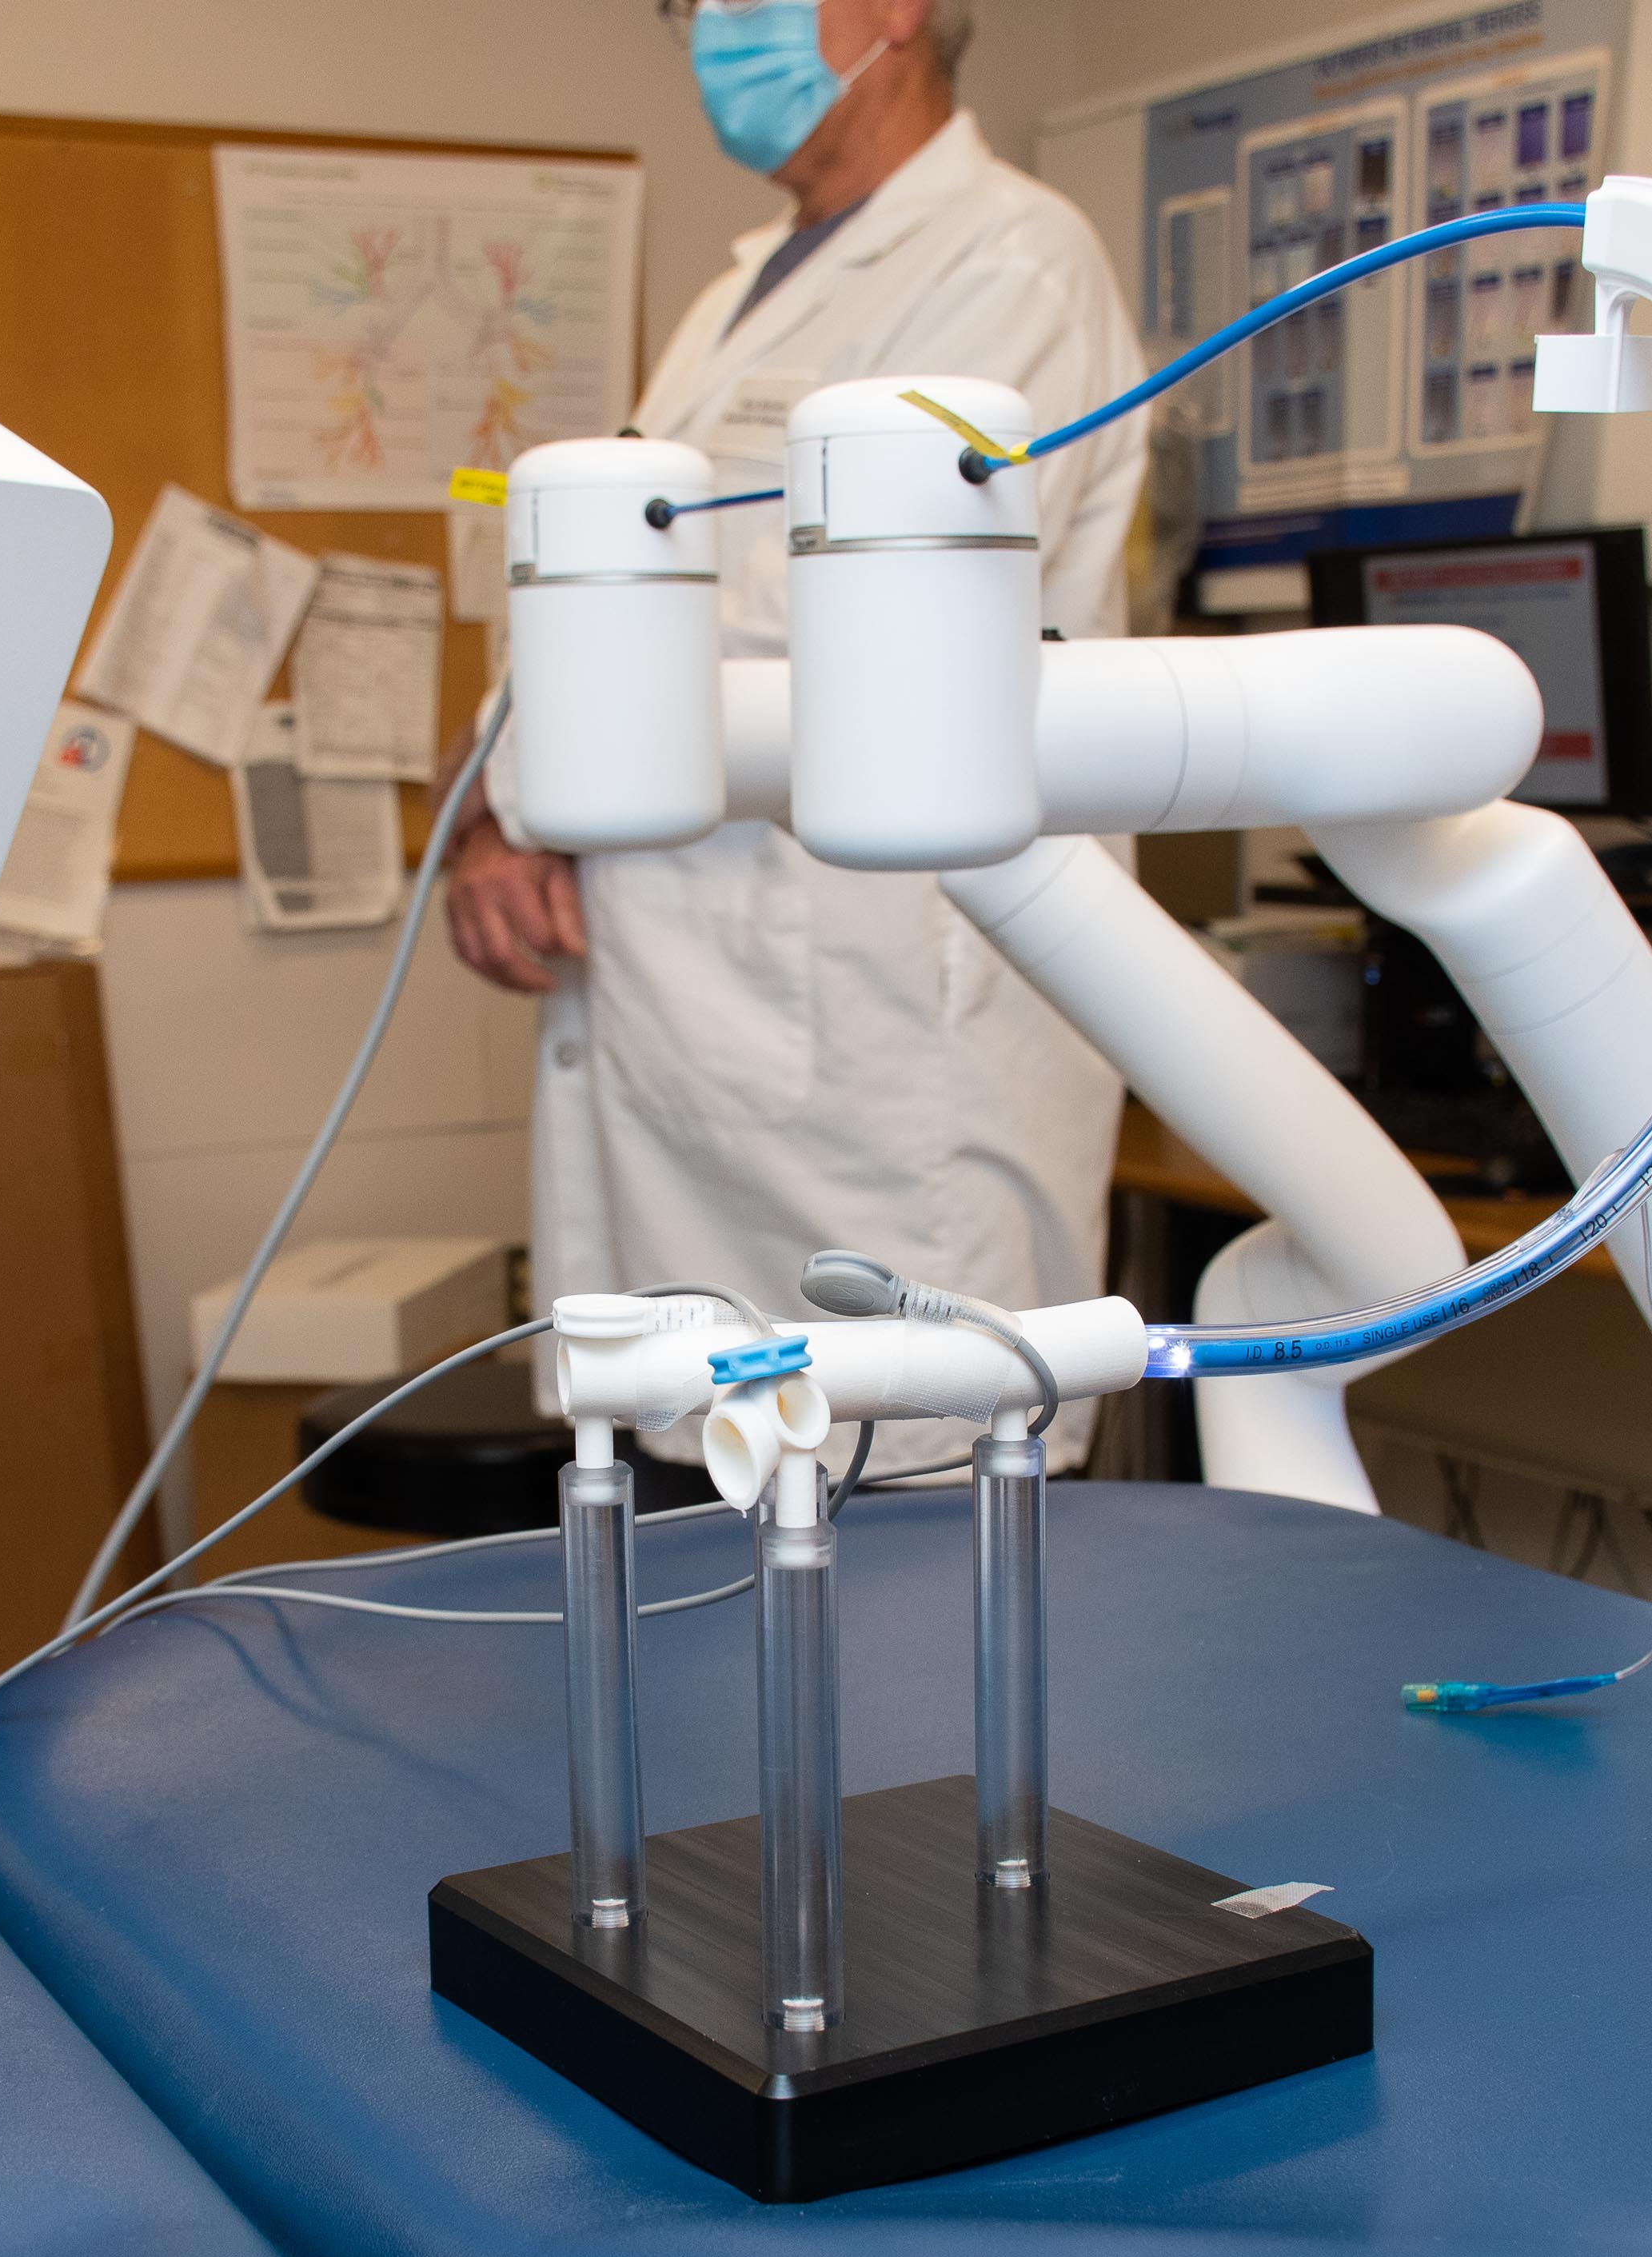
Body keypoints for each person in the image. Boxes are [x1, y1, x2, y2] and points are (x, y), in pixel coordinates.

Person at [441, 0, 1150, 1469]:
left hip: (880, 1043)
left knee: (916, 1496)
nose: (709, 25)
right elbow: (615, 590)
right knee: (707, 1493)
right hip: (700, 1025)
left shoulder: (1010, 266)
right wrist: (500, 806)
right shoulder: (745, 288)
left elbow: (813, 619)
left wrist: (521, 786)